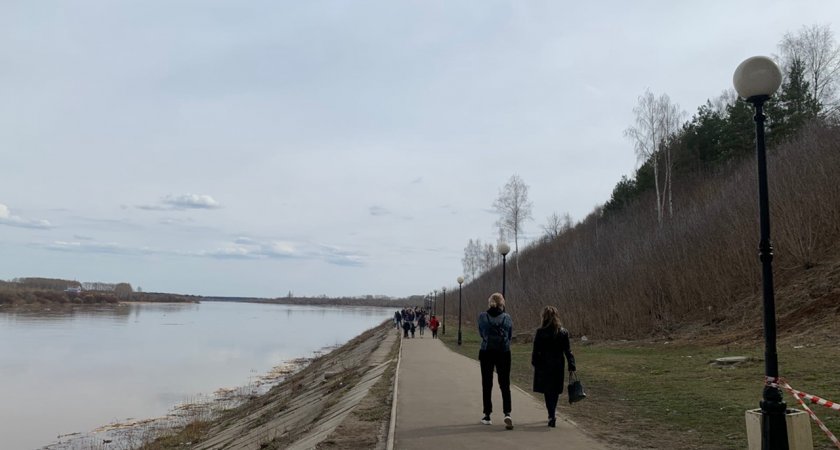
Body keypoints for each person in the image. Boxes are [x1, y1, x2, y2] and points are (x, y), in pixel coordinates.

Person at [531, 305, 576, 428]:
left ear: (544, 317)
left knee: (547, 391)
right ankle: (552, 413)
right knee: (555, 391)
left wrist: (535, 363)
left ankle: (551, 414)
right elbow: (568, 350)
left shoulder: (540, 332)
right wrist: (571, 364)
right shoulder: (563, 332)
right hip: (558, 365)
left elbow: (536, 350)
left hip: (544, 365)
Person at [477, 292, 514, 430]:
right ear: (502, 303)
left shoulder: (482, 317)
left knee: (487, 384)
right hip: (503, 353)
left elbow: (481, 333)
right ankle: (507, 413)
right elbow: (509, 335)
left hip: (486, 352)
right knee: (505, 384)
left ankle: (487, 415)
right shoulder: (507, 318)